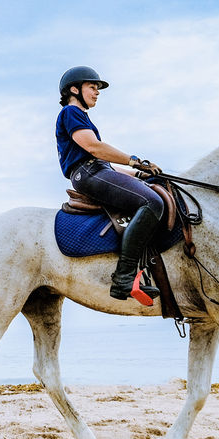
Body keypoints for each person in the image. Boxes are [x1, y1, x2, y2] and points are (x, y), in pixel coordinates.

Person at [56, 66, 165, 305]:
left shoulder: (82, 117)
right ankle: (123, 278)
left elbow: (105, 164)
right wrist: (135, 160)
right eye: (92, 87)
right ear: (74, 89)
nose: (97, 93)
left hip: (96, 170)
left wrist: (139, 173)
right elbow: (94, 149)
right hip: (87, 173)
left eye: (98, 89)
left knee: (153, 190)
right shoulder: (71, 113)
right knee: (152, 202)